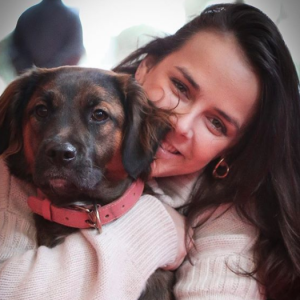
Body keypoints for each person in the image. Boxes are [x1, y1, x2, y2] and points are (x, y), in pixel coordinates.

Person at [0, 3, 299, 300]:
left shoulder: (230, 219)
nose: (180, 124)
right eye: (181, 86)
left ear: (232, 149)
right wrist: (151, 226)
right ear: (146, 66)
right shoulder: (23, 155)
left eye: (217, 123)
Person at [8, 0, 85, 74]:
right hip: (55, 77)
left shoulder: (26, 15)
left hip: (34, 78)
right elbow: (76, 51)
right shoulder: (71, 16)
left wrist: (32, 73)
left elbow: (15, 52)